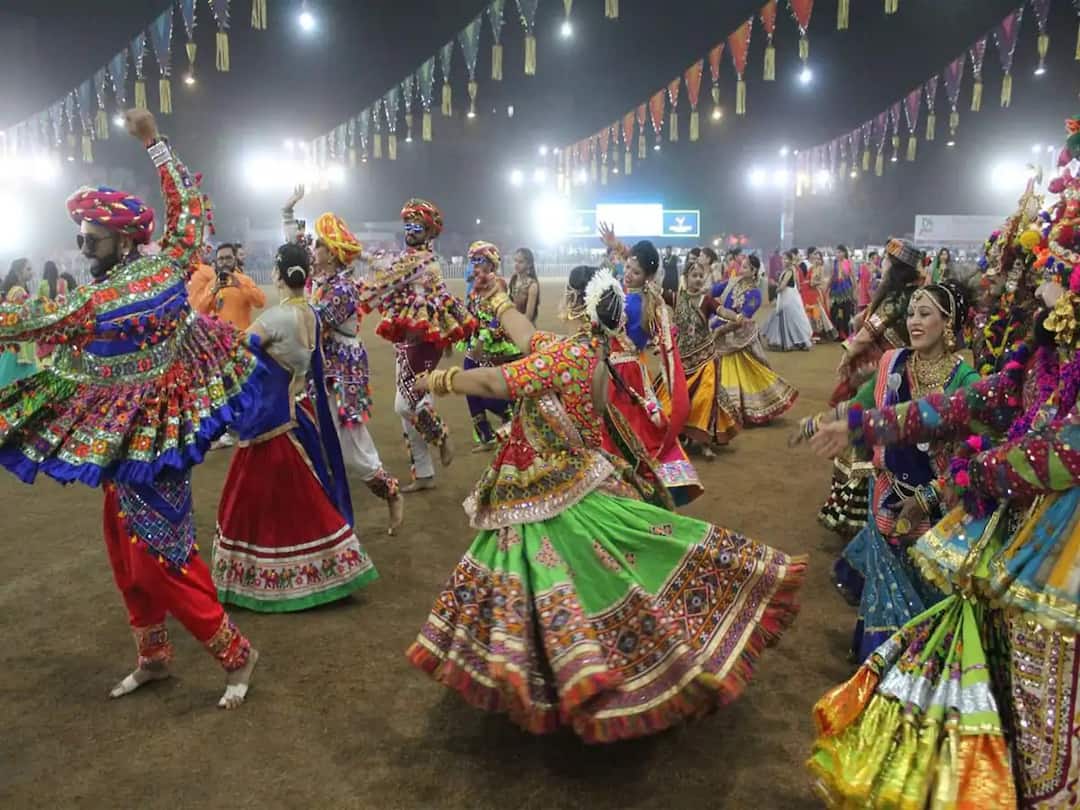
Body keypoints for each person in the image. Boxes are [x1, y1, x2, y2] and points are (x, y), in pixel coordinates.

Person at [405, 265, 806, 742]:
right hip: (564, 481)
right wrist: (497, 302)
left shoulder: (566, 354)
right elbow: (529, 335)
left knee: (553, 577)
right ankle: (555, 670)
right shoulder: (590, 352)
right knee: (584, 572)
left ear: (573, 305)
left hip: (548, 492)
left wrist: (441, 380)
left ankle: (571, 677)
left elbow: (497, 383)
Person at [0, 109, 258, 709]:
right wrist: (155, 144)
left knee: (160, 555)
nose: (81, 247)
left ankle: (237, 655)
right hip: (122, 434)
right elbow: (190, 211)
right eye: (81, 237)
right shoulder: (162, 264)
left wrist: (153, 143)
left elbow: (31, 319)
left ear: (121, 239)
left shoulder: (117, 290)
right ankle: (153, 656)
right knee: (123, 547)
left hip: (158, 435)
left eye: (90, 238)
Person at [798, 283, 978, 662]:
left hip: (937, 506)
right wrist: (824, 420)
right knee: (885, 583)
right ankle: (880, 658)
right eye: (911, 313)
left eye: (925, 314)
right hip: (886, 493)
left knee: (928, 583)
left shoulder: (967, 382)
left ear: (949, 322)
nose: (913, 321)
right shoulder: (891, 363)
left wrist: (929, 497)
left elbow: (972, 456)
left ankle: (918, 661)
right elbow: (863, 407)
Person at [212, 243, 377, 611]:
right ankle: (330, 568)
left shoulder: (274, 319)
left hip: (270, 424)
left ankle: (270, 580)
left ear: (276, 275)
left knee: (252, 505)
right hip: (301, 417)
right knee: (304, 500)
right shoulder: (312, 315)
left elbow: (234, 351)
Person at [282, 185, 404, 532]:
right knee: (310, 435)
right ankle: (322, 515)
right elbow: (295, 249)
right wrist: (288, 213)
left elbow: (314, 322)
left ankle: (390, 492)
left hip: (341, 370)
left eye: (319, 245)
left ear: (333, 255)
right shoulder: (319, 279)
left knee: (352, 446)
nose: (313, 248)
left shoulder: (343, 289)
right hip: (318, 367)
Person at [359, 198, 475, 492]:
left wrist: (355, 252)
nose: (410, 230)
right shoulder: (415, 258)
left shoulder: (420, 261)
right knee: (416, 404)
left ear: (430, 232)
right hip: (409, 339)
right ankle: (424, 474)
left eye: (418, 226)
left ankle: (441, 436)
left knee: (403, 404)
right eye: (408, 225)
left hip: (421, 341)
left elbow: (387, 272)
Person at [599, 224, 702, 507]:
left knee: (630, 426)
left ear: (646, 277)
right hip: (612, 368)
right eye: (627, 267)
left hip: (627, 373)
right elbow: (631, 259)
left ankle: (633, 481)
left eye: (634, 272)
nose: (627, 273)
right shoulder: (630, 292)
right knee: (615, 424)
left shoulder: (645, 302)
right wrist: (617, 244)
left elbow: (663, 337)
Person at [662, 254, 741, 459]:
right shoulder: (676, 298)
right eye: (694, 275)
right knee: (680, 400)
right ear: (686, 277)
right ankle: (681, 434)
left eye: (701, 275)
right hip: (681, 360)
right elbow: (654, 290)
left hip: (705, 357)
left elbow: (722, 310)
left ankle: (704, 442)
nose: (698, 279)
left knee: (706, 398)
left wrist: (737, 317)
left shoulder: (706, 300)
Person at [711, 254, 799, 425]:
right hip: (718, 329)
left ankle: (737, 409)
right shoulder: (732, 282)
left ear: (753, 272)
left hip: (739, 336)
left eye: (744, 267)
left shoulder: (755, 295)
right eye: (741, 265)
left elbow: (742, 318)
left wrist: (721, 330)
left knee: (746, 371)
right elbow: (712, 292)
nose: (740, 269)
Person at [459, 241, 518, 451]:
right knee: (468, 384)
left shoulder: (499, 283)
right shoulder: (474, 285)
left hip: (493, 344)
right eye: (472, 260)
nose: (474, 265)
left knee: (486, 388)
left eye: (479, 260)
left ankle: (508, 415)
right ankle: (486, 433)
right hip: (475, 342)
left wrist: (484, 339)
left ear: (491, 264)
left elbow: (498, 315)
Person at [188, 243, 266, 331]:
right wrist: (213, 291)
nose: (224, 262)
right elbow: (201, 311)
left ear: (235, 260)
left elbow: (260, 302)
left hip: (241, 337)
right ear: (216, 262)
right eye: (221, 259)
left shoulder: (245, 280)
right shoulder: (212, 284)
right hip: (220, 340)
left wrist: (240, 286)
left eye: (228, 258)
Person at [762, 249, 813, 351]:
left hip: (788, 297)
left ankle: (798, 341)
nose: (783, 261)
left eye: (786, 259)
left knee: (790, 319)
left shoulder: (790, 270)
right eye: (783, 258)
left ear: (790, 260)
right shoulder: (787, 270)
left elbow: (783, 286)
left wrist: (776, 288)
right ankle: (794, 341)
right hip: (787, 296)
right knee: (789, 319)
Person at [0, 258, 38, 386]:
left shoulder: (17, 289)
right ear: (18, 272)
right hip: (20, 345)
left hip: (18, 342)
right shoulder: (18, 291)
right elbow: (24, 315)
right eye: (28, 269)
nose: (31, 272)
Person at [799, 248, 837, 342]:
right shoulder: (812, 268)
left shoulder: (820, 268)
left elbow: (819, 281)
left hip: (815, 292)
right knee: (809, 313)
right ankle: (811, 332)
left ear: (821, 260)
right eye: (815, 258)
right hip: (808, 292)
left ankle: (818, 333)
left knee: (817, 313)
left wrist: (812, 283)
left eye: (819, 259)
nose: (817, 260)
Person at [829, 245, 856, 339]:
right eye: (837, 252)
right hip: (836, 290)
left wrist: (855, 291)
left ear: (844, 253)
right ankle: (838, 332)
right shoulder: (835, 262)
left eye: (840, 252)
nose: (838, 254)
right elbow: (832, 276)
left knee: (846, 312)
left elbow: (851, 276)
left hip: (846, 290)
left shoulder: (848, 262)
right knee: (835, 312)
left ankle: (846, 333)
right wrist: (827, 287)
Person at [509, 247, 540, 323]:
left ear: (529, 264)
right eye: (515, 261)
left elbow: (528, 317)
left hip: (525, 327)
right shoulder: (513, 279)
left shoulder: (532, 285)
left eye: (520, 262)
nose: (516, 264)